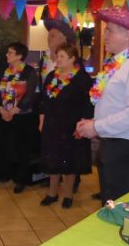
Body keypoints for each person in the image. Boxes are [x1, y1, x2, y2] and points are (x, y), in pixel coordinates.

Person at [76, 7, 129, 203]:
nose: (104, 35)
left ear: (127, 34)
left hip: (128, 150)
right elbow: (115, 105)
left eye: (110, 30)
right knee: (110, 202)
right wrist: (94, 123)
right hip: (115, 146)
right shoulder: (119, 64)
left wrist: (96, 126)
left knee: (121, 205)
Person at [39, 43, 93, 208]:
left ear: (72, 59)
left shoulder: (82, 78)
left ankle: (68, 195)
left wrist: (82, 125)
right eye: (57, 56)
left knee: (69, 161)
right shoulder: (52, 76)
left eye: (62, 56)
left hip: (72, 126)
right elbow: (44, 100)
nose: (58, 59)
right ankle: (52, 193)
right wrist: (42, 121)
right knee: (53, 160)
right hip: (52, 124)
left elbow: (89, 104)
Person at [0, 42, 37, 193]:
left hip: (21, 116)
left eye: (10, 52)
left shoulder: (29, 71)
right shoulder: (3, 70)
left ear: (20, 56)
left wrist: (13, 111)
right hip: (3, 114)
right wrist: (1, 109)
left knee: (22, 149)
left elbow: (30, 96)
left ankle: (21, 180)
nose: (6, 55)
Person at [40, 19, 77, 87]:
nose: (48, 38)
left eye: (52, 35)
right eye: (48, 35)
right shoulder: (44, 58)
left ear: (64, 39)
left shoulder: (73, 59)